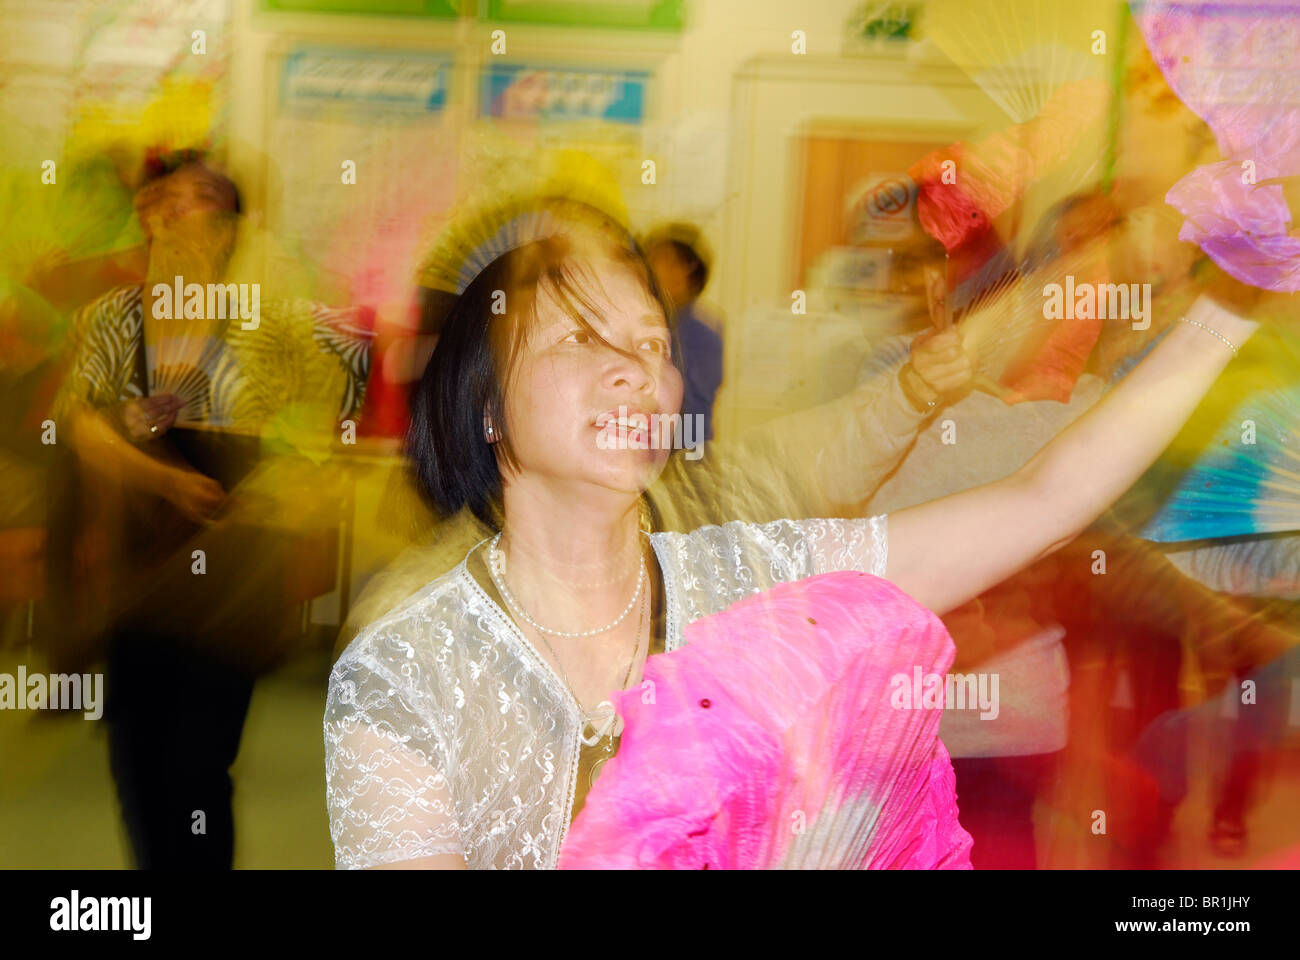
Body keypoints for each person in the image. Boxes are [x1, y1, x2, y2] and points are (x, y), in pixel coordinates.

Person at [323, 195, 1266, 870]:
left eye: (651, 343)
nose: (634, 371)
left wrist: (1237, 299)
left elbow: (1043, 498)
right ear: (484, 405)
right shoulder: (406, 670)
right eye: (581, 337)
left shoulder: (753, 580)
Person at [56, 154, 371, 868]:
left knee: (199, 768)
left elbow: (342, 393)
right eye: (162, 196)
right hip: (136, 574)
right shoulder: (111, 318)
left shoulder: (273, 322)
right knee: (136, 765)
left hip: (233, 580)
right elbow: (83, 426)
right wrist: (164, 482)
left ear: (233, 226)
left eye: (202, 198)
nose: (176, 210)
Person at [642, 224, 724, 440]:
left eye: (679, 263)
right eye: (660, 260)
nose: (669, 271)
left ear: (694, 275)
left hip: (679, 457)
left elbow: (695, 417)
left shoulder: (703, 334)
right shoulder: (632, 320)